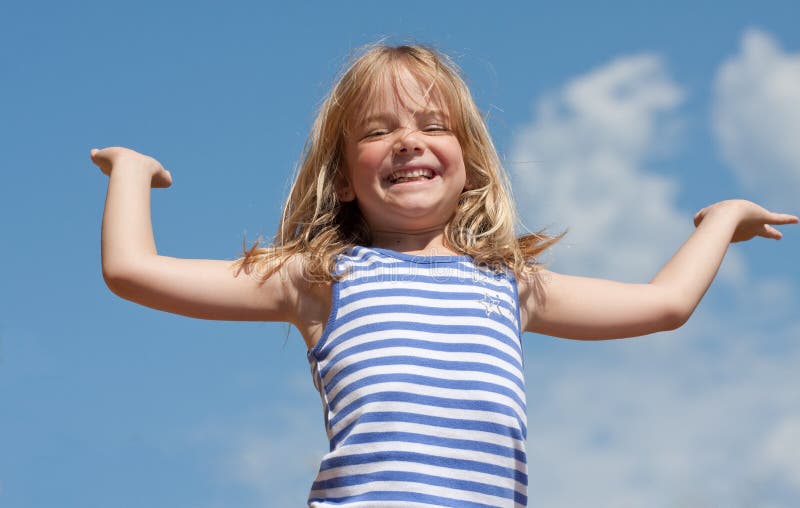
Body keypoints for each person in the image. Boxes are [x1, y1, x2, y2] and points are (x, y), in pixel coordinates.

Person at [91, 43, 798, 507]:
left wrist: (721, 222)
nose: (407, 140)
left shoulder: (508, 285)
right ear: (341, 179)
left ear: (467, 162)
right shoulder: (322, 278)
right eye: (376, 130)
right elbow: (133, 272)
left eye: (433, 124)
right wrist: (131, 171)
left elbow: (664, 304)